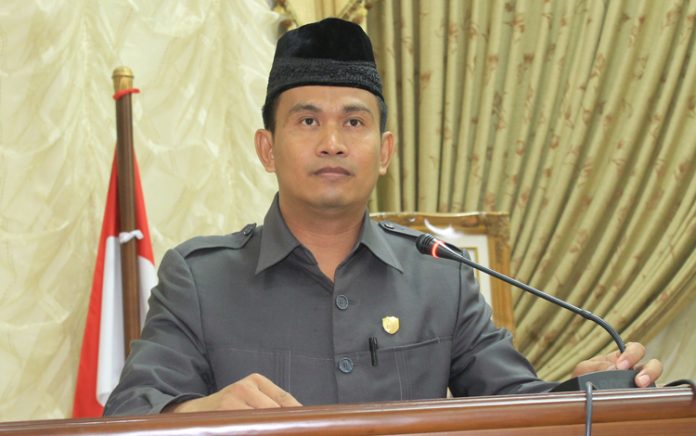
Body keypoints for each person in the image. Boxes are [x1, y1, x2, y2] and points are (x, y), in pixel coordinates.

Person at [103, 18, 662, 416]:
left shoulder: (440, 277)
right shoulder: (200, 278)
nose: (332, 142)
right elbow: (128, 411)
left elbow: (514, 406)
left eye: (354, 122)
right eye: (307, 121)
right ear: (267, 149)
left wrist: (585, 392)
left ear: (385, 151)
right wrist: (199, 411)